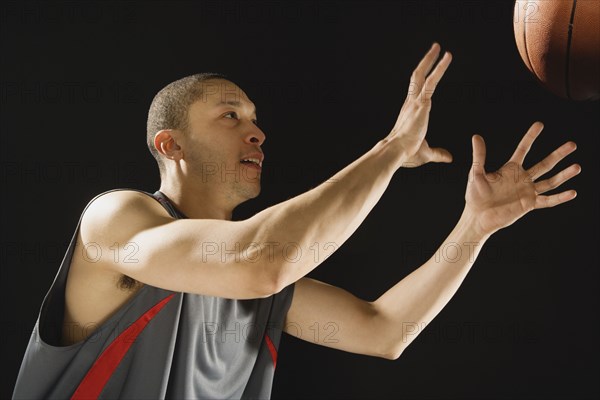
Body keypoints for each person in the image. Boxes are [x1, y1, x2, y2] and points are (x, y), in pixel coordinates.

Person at [12, 42, 581, 399]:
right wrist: (390, 149)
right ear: (171, 143)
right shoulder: (115, 219)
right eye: (230, 116)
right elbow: (259, 261)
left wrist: (473, 228)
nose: (256, 132)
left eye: (256, 119)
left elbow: (384, 331)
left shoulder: (259, 287)